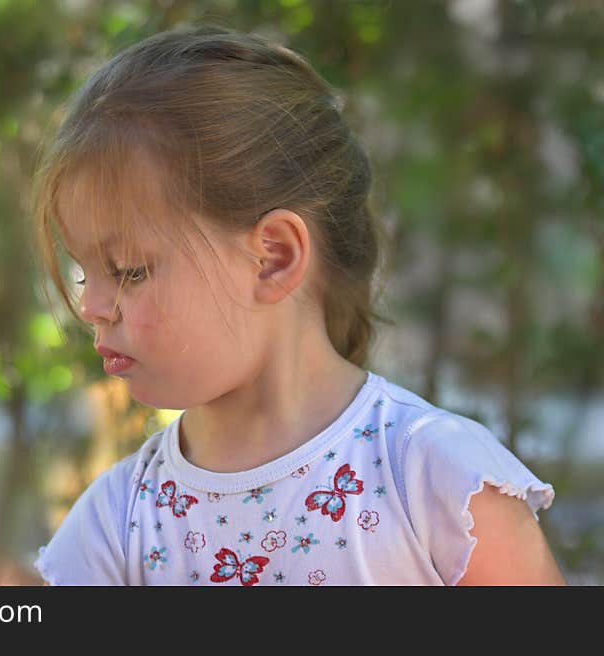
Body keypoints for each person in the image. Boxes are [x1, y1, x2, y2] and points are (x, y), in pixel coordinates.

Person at [29, 24, 566, 585]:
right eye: (85, 272)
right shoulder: (115, 525)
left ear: (274, 257)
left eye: (129, 270)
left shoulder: (438, 483)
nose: (90, 305)